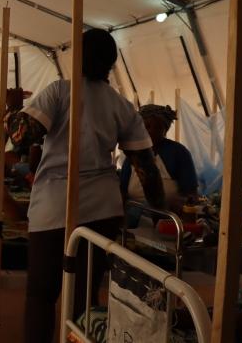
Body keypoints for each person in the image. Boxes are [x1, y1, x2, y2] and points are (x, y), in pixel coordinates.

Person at [16, 28, 166, 343]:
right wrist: (162, 212)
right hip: (103, 208)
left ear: (78, 58)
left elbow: (22, 136)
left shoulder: (59, 92)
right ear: (111, 63)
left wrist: (11, 108)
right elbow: (146, 168)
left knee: (41, 294)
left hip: (56, 204)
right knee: (83, 296)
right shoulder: (121, 105)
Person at [121, 104, 199, 226]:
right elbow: (122, 190)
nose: (147, 131)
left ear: (164, 129)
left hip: (167, 219)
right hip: (134, 219)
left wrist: (183, 204)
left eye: (153, 127)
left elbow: (191, 193)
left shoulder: (178, 152)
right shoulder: (133, 153)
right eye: (144, 126)